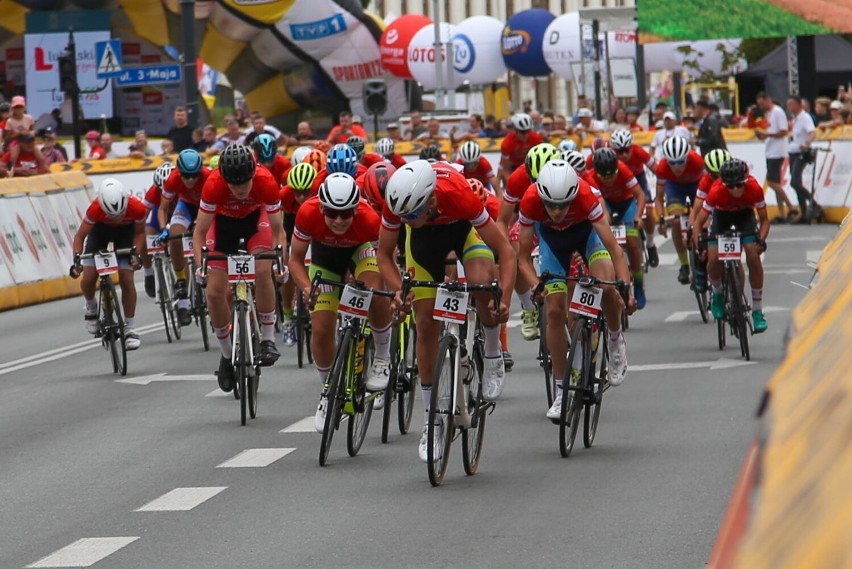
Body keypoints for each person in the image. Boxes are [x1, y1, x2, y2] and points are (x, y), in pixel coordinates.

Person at [377, 160, 516, 462]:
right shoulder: (399, 201)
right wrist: (398, 289)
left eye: (413, 213)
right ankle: (432, 421)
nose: (408, 219)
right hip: (425, 246)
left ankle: (492, 355)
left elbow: (505, 251)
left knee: (481, 286)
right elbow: (384, 255)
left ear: (431, 199)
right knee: (425, 323)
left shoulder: (457, 193)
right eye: (403, 216)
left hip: (462, 231)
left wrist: (502, 298)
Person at [515, 160, 630, 421]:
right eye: (551, 205)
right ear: (541, 196)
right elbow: (522, 258)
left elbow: (614, 248)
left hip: (587, 236)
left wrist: (624, 284)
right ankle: (561, 392)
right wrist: (535, 285)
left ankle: (614, 340)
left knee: (606, 286)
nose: (557, 211)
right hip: (554, 245)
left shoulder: (586, 196)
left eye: (564, 205)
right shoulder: (530, 199)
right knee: (555, 312)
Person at [288, 173, 393, 430]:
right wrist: (305, 288)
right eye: (332, 213)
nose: (338, 220)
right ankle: (328, 392)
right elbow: (295, 260)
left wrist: (396, 292)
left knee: (374, 292)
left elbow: (385, 259)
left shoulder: (369, 220)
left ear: (356, 210)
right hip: (325, 260)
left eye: (346, 214)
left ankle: (381, 356)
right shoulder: (307, 213)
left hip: (361, 251)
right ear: (321, 207)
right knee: (322, 330)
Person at [193, 143, 283, 391]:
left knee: (264, 269)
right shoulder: (213, 184)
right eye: (235, 185)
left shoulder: (266, 181)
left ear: (253, 174)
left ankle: (267, 339)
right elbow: (199, 233)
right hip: (223, 227)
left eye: (245, 183)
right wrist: (201, 266)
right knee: (214, 291)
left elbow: (278, 231)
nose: (241, 190)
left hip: (256, 223)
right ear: (224, 178)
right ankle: (225, 355)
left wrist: (279, 262)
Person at [692, 158, 769, 333]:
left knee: (753, 256)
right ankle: (718, 293)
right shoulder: (716, 191)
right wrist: (699, 246)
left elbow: (765, 221)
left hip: (745, 217)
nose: (735, 189)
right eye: (731, 186)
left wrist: (761, 241)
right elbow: (698, 222)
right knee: (713, 258)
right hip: (722, 218)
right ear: (724, 184)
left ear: (745, 181)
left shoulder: (754, 188)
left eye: (739, 185)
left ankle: (757, 311)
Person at [69, 178, 146, 350]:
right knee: (89, 277)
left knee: (127, 278)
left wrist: (136, 254)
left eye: (120, 213)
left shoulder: (137, 208)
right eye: (112, 214)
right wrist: (77, 259)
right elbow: (79, 237)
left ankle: (129, 328)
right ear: (102, 206)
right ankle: (90, 307)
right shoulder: (95, 209)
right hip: (100, 232)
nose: (117, 218)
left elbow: (140, 234)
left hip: (125, 235)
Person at [585, 147, 646, 308]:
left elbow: (640, 195)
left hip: (626, 204)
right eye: (603, 176)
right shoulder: (590, 176)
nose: (608, 180)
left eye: (612, 175)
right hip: (606, 205)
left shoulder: (623, 169)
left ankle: (638, 282)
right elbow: (597, 206)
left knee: (632, 241)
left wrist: (638, 216)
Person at [158, 149, 212, 325]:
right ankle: (181, 281)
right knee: (175, 236)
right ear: (179, 172)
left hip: (207, 207)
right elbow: (163, 208)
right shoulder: (173, 178)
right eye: (186, 176)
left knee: (207, 237)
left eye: (194, 175)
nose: (190, 180)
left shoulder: (208, 176)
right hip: (187, 206)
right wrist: (163, 228)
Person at [278, 162, 319, 346]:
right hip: (291, 222)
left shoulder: (320, 192)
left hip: (314, 219)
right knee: (287, 267)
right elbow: (280, 229)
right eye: (297, 192)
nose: (301, 196)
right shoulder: (285, 196)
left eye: (306, 191)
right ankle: (287, 318)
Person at [654, 136, 705, 285]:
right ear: (666, 161)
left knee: (700, 216)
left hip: (696, 185)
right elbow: (659, 198)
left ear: (687, 158)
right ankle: (684, 264)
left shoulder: (697, 161)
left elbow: (707, 188)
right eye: (672, 163)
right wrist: (662, 219)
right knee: (676, 221)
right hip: (675, 188)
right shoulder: (662, 168)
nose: (677, 167)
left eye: (681, 162)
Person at [610, 128, 659, 267]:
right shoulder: (610, 157)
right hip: (621, 183)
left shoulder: (638, 151)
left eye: (627, 150)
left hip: (638, 180)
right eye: (620, 151)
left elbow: (655, 168)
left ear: (631, 147)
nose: (624, 155)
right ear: (613, 150)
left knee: (649, 211)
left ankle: (650, 243)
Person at [754, 92, 795, 222]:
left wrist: (768, 135)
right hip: (771, 150)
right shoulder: (769, 114)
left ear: (767, 100)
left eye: (762, 104)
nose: (761, 107)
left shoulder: (778, 112)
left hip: (777, 151)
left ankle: (790, 206)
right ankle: (782, 212)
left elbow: (783, 131)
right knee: (775, 182)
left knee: (771, 182)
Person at [786, 95, 816, 223]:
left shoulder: (805, 117)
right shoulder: (795, 119)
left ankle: (814, 204)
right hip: (793, 153)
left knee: (795, 182)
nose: (789, 107)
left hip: (801, 153)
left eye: (791, 104)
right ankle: (804, 212)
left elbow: (812, 132)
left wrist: (807, 143)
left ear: (799, 104)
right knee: (796, 182)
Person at [499, 112, 543, 188]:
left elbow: (541, 159)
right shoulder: (507, 143)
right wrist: (512, 184)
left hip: (529, 164)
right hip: (512, 165)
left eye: (528, 131)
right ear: (515, 130)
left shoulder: (536, 138)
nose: (526, 135)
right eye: (522, 132)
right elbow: (505, 170)